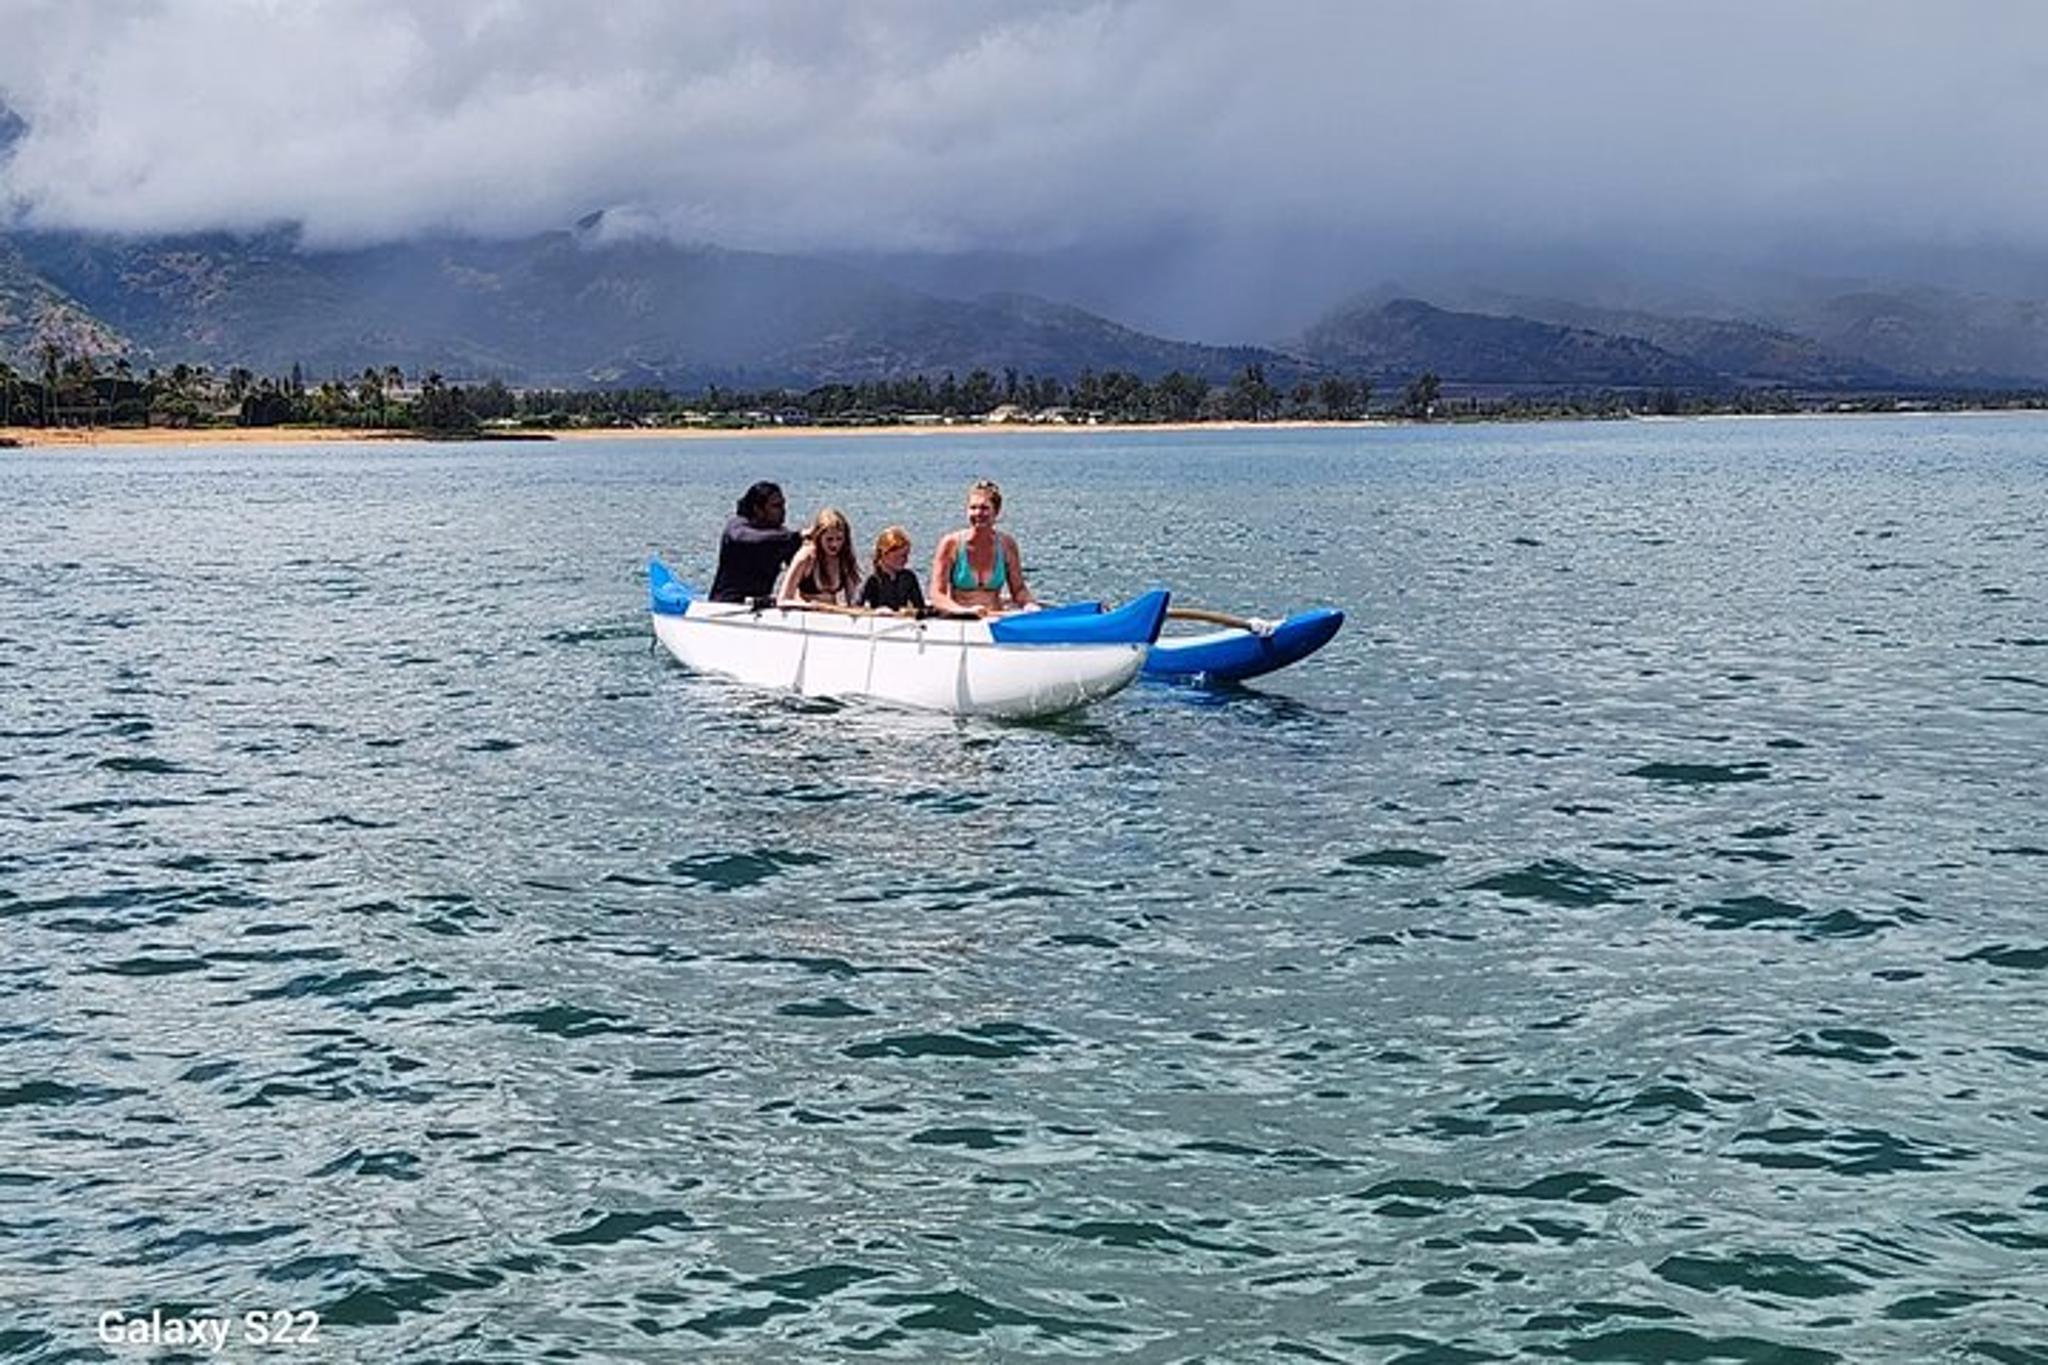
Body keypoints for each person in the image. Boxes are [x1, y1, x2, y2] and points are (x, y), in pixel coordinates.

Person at [929, 478, 1034, 616]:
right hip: (960, 621)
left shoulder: (1006, 544)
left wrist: (1029, 605)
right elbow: (937, 595)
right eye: (973, 508)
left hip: (994, 619)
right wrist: (964, 611)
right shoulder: (951, 544)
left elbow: (1019, 589)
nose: (978, 513)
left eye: (984, 508)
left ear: (996, 512)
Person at [709, 481, 800, 603]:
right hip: (725, 604)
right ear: (758, 509)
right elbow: (743, 538)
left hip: (759, 606)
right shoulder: (737, 526)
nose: (783, 511)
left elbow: (799, 572)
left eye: (783, 505)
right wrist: (792, 536)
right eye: (776, 506)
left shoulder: (782, 538)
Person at [778, 507, 860, 606]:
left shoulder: (844, 558)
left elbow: (852, 600)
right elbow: (782, 600)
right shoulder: (806, 557)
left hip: (831, 612)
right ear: (819, 537)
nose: (835, 545)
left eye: (839, 539)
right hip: (804, 614)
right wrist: (808, 606)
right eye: (829, 539)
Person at [858, 526, 926, 613]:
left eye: (907, 555)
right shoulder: (872, 579)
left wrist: (910, 612)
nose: (905, 560)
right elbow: (857, 606)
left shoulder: (909, 577)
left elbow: (920, 607)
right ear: (885, 554)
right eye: (901, 556)